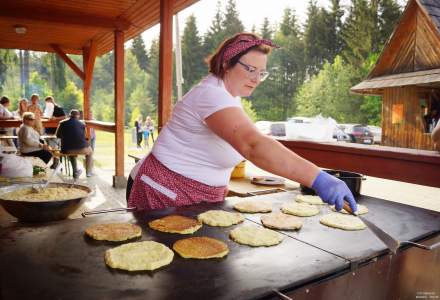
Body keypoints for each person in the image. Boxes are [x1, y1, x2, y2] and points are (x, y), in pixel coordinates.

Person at [127, 32, 358, 214]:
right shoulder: (210, 95)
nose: (257, 79)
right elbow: (252, 145)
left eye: (262, 73)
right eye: (250, 69)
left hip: (196, 196)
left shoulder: (229, 96)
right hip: (164, 192)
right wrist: (317, 177)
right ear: (227, 63)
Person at [56, 109, 93, 178]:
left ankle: (75, 171)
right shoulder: (82, 124)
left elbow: (57, 135)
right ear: (78, 116)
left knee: (71, 151)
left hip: (67, 150)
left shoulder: (62, 123)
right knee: (90, 152)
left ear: (69, 115)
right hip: (81, 149)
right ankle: (88, 172)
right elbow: (85, 136)